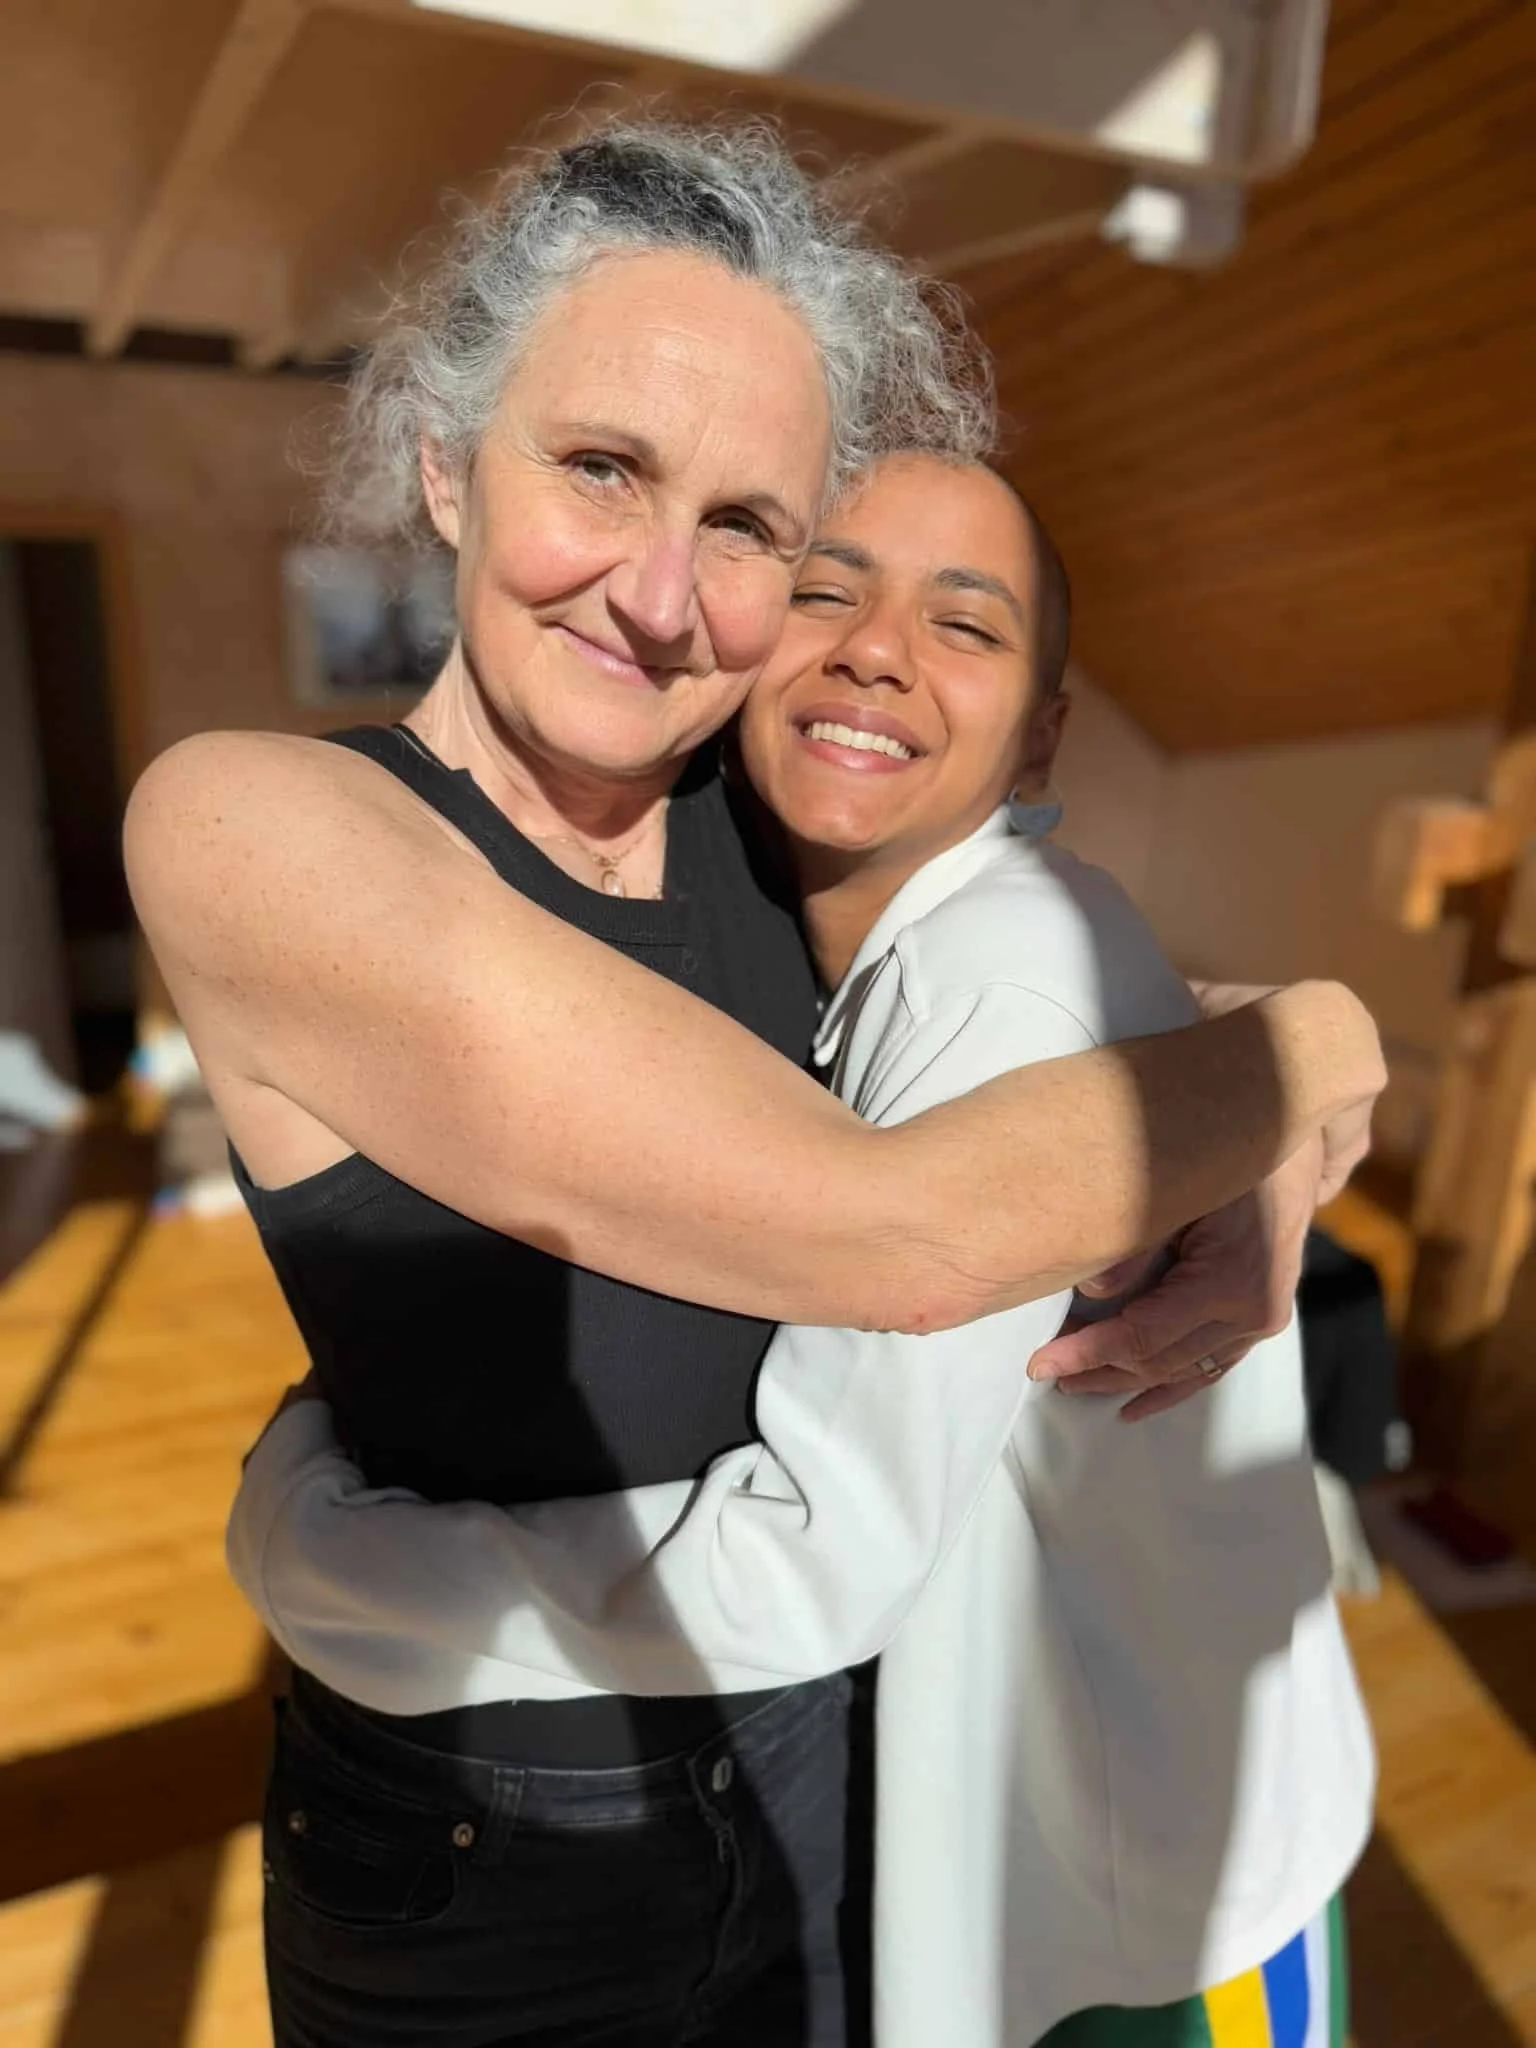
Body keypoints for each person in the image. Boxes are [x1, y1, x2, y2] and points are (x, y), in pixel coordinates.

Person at [129, 122, 1382, 2047]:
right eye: (602, 467)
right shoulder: (261, 828)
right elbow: (898, 1230)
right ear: (448, 463)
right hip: (500, 1856)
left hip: (825, 1785)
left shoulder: (753, 819)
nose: (659, 592)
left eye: (746, 529)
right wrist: (1305, 1060)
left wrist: (1302, 1070)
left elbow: (1090, 1007)